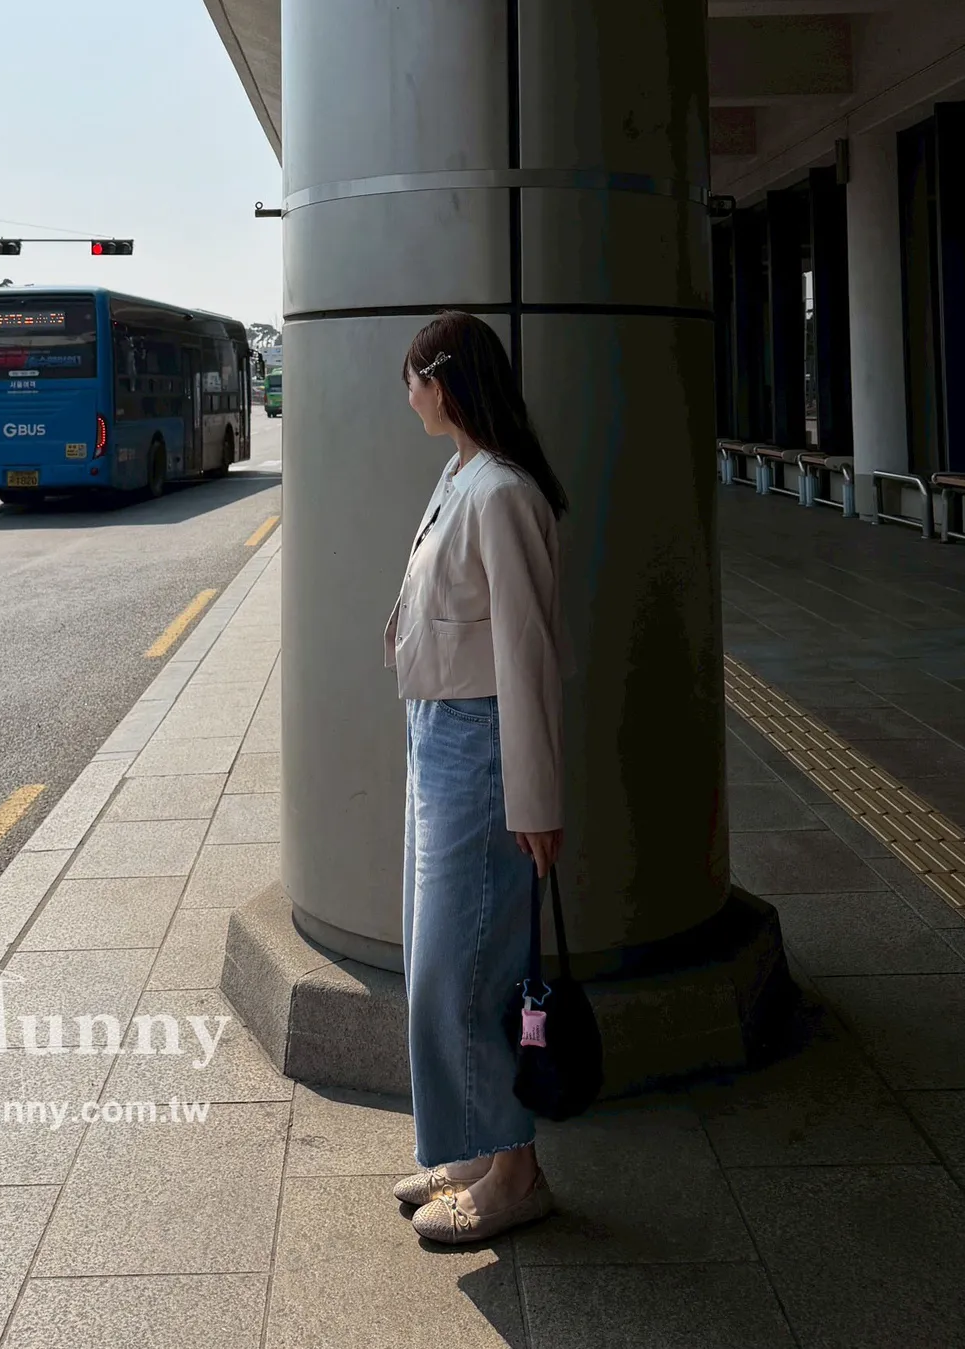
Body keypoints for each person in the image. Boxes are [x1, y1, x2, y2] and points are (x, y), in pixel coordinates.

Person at [384, 309, 568, 1246]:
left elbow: (527, 653)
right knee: (438, 951)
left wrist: (534, 796)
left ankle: (515, 1172)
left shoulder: (499, 490)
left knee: (462, 965)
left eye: (415, 375)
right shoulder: (461, 474)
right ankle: (471, 1149)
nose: (408, 391)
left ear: (445, 383)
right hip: (438, 732)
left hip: (482, 743)